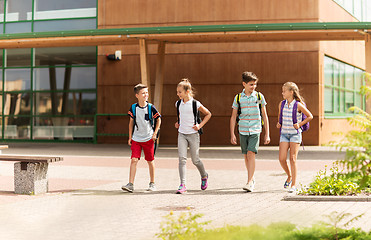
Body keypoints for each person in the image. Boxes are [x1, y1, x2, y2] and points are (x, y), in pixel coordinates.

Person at [230, 71, 270, 192]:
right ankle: (251, 178)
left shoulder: (259, 97)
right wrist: (232, 134)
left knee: (251, 154)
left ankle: (249, 181)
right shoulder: (238, 98)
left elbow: (264, 115)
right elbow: (233, 116)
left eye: (255, 84)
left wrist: (267, 134)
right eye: (251, 84)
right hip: (242, 129)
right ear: (244, 84)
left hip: (255, 129)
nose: (254, 87)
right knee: (246, 156)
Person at [121, 83, 161, 192]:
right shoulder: (133, 108)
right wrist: (130, 137)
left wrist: (154, 134)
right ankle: (130, 184)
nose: (146, 95)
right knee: (134, 160)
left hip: (148, 138)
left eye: (147, 92)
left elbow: (159, 119)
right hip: (136, 139)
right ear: (137, 95)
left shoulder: (151, 107)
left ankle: (152, 183)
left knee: (150, 160)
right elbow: (131, 123)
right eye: (143, 93)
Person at [175, 79, 212, 194]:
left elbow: (208, 114)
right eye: (177, 92)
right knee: (182, 159)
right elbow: (181, 116)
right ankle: (183, 184)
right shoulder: (178, 103)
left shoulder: (195, 103)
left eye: (180, 92)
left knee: (195, 160)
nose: (178, 94)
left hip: (193, 135)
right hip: (182, 134)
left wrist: (200, 125)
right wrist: (178, 122)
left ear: (187, 91)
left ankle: (204, 175)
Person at [276, 82, 313, 193]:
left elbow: (310, 116)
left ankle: (294, 184)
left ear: (291, 92)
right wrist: (279, 123)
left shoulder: (298, 105)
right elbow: (280, 117)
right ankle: (289, 175)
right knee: (282, 159)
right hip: (284, 134)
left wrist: (300, 124)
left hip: (295, 134)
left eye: (284, 91)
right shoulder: (281, 104)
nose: (282, 93)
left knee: (292, 159)